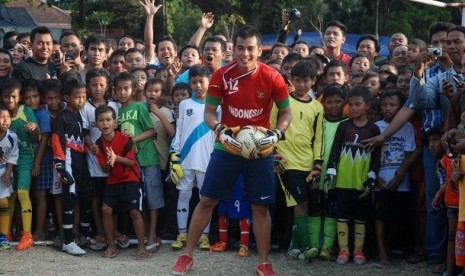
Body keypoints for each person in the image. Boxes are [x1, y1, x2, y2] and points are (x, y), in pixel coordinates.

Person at [171, 25, 291, 276]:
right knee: (207, 200)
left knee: (260, 207)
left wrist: (276, 134)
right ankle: (186, 256)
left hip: (260, 148)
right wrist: (220, 130)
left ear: (260, 50)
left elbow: (286, 113)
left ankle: (264, 262)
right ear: (232, 49)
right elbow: (208, 113)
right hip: (227, 146)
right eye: (240, 48)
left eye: (250, 49)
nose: (244, 54)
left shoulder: (273, 77)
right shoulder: (221, 76)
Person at [270, 59, 324, 261]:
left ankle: (295, 247)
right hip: (286, 161)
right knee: (300, 202)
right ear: (291, 80)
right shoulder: (282, 101)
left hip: (307, 163)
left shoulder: (318, 107)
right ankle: (309, 245)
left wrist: (318, 164)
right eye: (298, 80)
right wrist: (273, 154)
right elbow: (270, 127)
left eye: (307, 80)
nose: (302, 84)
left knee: (302, 204)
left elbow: (319, 137)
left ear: (313, 81)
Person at [325, 86, 381, 265]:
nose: (354, 108)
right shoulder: (343, 126)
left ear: (368, 105)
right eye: (351, 104)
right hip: (342, 181)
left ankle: (358, 251)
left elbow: (377, 156)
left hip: (362, 183)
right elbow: (334, 151)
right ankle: (343, 250)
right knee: (342, 215)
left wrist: (372, 175)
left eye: (358, 104)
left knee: (361, 217)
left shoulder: (374, 129)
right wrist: (331, 171)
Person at [114, 72, 163, 255]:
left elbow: (151, 130)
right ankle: (144, 235)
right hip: (131, 162)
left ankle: (152, 235)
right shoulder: (118, 113)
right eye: (118, 89)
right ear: (114, 92)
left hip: (148, 158)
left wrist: (133, 139)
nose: (122, 92)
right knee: (140, 198)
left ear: (133, 90)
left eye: (126, 88)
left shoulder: (139, 107)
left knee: (153, 196)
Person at [170, 66, 217, 251]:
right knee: (183, 195)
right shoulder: (184, 104)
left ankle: (203, 237)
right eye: (194, 82)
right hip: (186, 160)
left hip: (208, 160)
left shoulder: (217, 106)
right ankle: (182, 233)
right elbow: (179, 132)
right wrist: (175, 155)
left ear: (209, 81)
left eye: (201, 81)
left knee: (205, 199)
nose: (198, 85)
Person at [94, 105, 148, 259]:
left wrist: (116, 158)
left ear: (115, 123)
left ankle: (142, 247)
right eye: (101, 121)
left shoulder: (125, 139)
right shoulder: (98, 144)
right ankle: (111, 246)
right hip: (113, 180)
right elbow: (105, 169)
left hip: (130, 179)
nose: (105, 124)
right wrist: (109, 162)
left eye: (108, 120)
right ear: (96, 124)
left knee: (134, 211)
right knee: (106, 210)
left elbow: (131, 162)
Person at [374, 91, 415, 265]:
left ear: (401, 107)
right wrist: (375, 178)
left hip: (400, 183)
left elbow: (409, 153)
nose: (388, 109)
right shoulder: (375, 127)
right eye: (384, 105)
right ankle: (382, 253)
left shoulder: (407, 127)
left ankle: (390, 247)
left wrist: (399, 177)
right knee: (380, 217)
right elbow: (369, 156)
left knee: (396, 218)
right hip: (380, 182)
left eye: (392, 105)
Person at [80, 68, 119, 250]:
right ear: (88, 87)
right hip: (93, 161)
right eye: (94, 85)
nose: (98, 88)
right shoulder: (85, 107)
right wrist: (91, 145)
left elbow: (118, 131)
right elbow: (85, 131)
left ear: (107, 86)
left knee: (112, 198)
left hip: (112, 160)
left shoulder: (114, 105)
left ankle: (115, 231)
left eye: (101, 85)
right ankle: (101, 232)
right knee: (97, 198)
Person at [51, 78, 91, 256]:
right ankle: (67, 241)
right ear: (67, 98)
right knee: (69, 199)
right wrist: (60, 166)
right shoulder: (62, 117)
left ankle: (82, 236)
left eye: (83, 97)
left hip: (81, 161)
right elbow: (56, 141)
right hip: (68, 161)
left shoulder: (80, 115)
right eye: (77, 97)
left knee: (84, 198)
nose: (81, 100)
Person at [1, 78, 39, 250]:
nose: (10, 100)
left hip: (24, 158)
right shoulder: (2, 114)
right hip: (7, 161)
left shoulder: (26, 111)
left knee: (23, 192)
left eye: (14, 96)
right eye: (7, 96)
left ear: (20, 97)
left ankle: (27, 235)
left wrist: (34, 128)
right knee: (10, 196)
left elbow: (36, 139)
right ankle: (6, 233)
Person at [316, 85, 348, 261]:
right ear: (323, 103)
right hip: (318, 172)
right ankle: (314, 244)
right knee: (315, 210)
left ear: (345, 103)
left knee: (331, 211)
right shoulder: (320, 122)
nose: (334, 105)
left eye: (338, 101)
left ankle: (327, 247)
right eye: (329, 102)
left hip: (338, 176)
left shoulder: (348, 124)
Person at [21, 79, 52, 242]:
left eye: (35, 96)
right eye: (27, 97)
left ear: (40, 97)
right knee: (30, 194)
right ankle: (32, 229)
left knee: (40, 195)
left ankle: (40, 230)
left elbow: (45, 139)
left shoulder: (42, 114)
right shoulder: (24, 113)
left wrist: (37, 163)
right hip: (27, 160)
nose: (32, 100)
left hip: (43, 160)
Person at [0, 104, 19, 250]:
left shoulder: (12, 136)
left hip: (3, 175)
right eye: (2, 117)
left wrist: (8, 173)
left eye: (8, 117)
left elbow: (13, 155)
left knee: (4, 203)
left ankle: (3, 236)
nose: (6, 120)